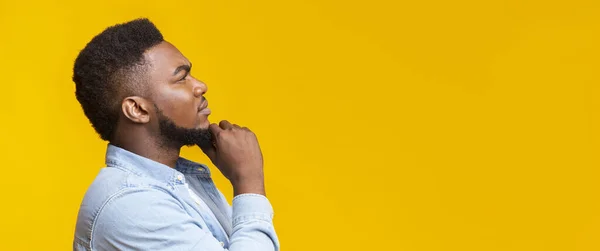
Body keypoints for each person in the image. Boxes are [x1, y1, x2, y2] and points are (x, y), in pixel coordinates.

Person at [71, 18, 280, 251]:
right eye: (181, 78)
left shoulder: (183, 182)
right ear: (138, 110)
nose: (200, 86)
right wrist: (249, 181)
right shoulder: (132, 204)